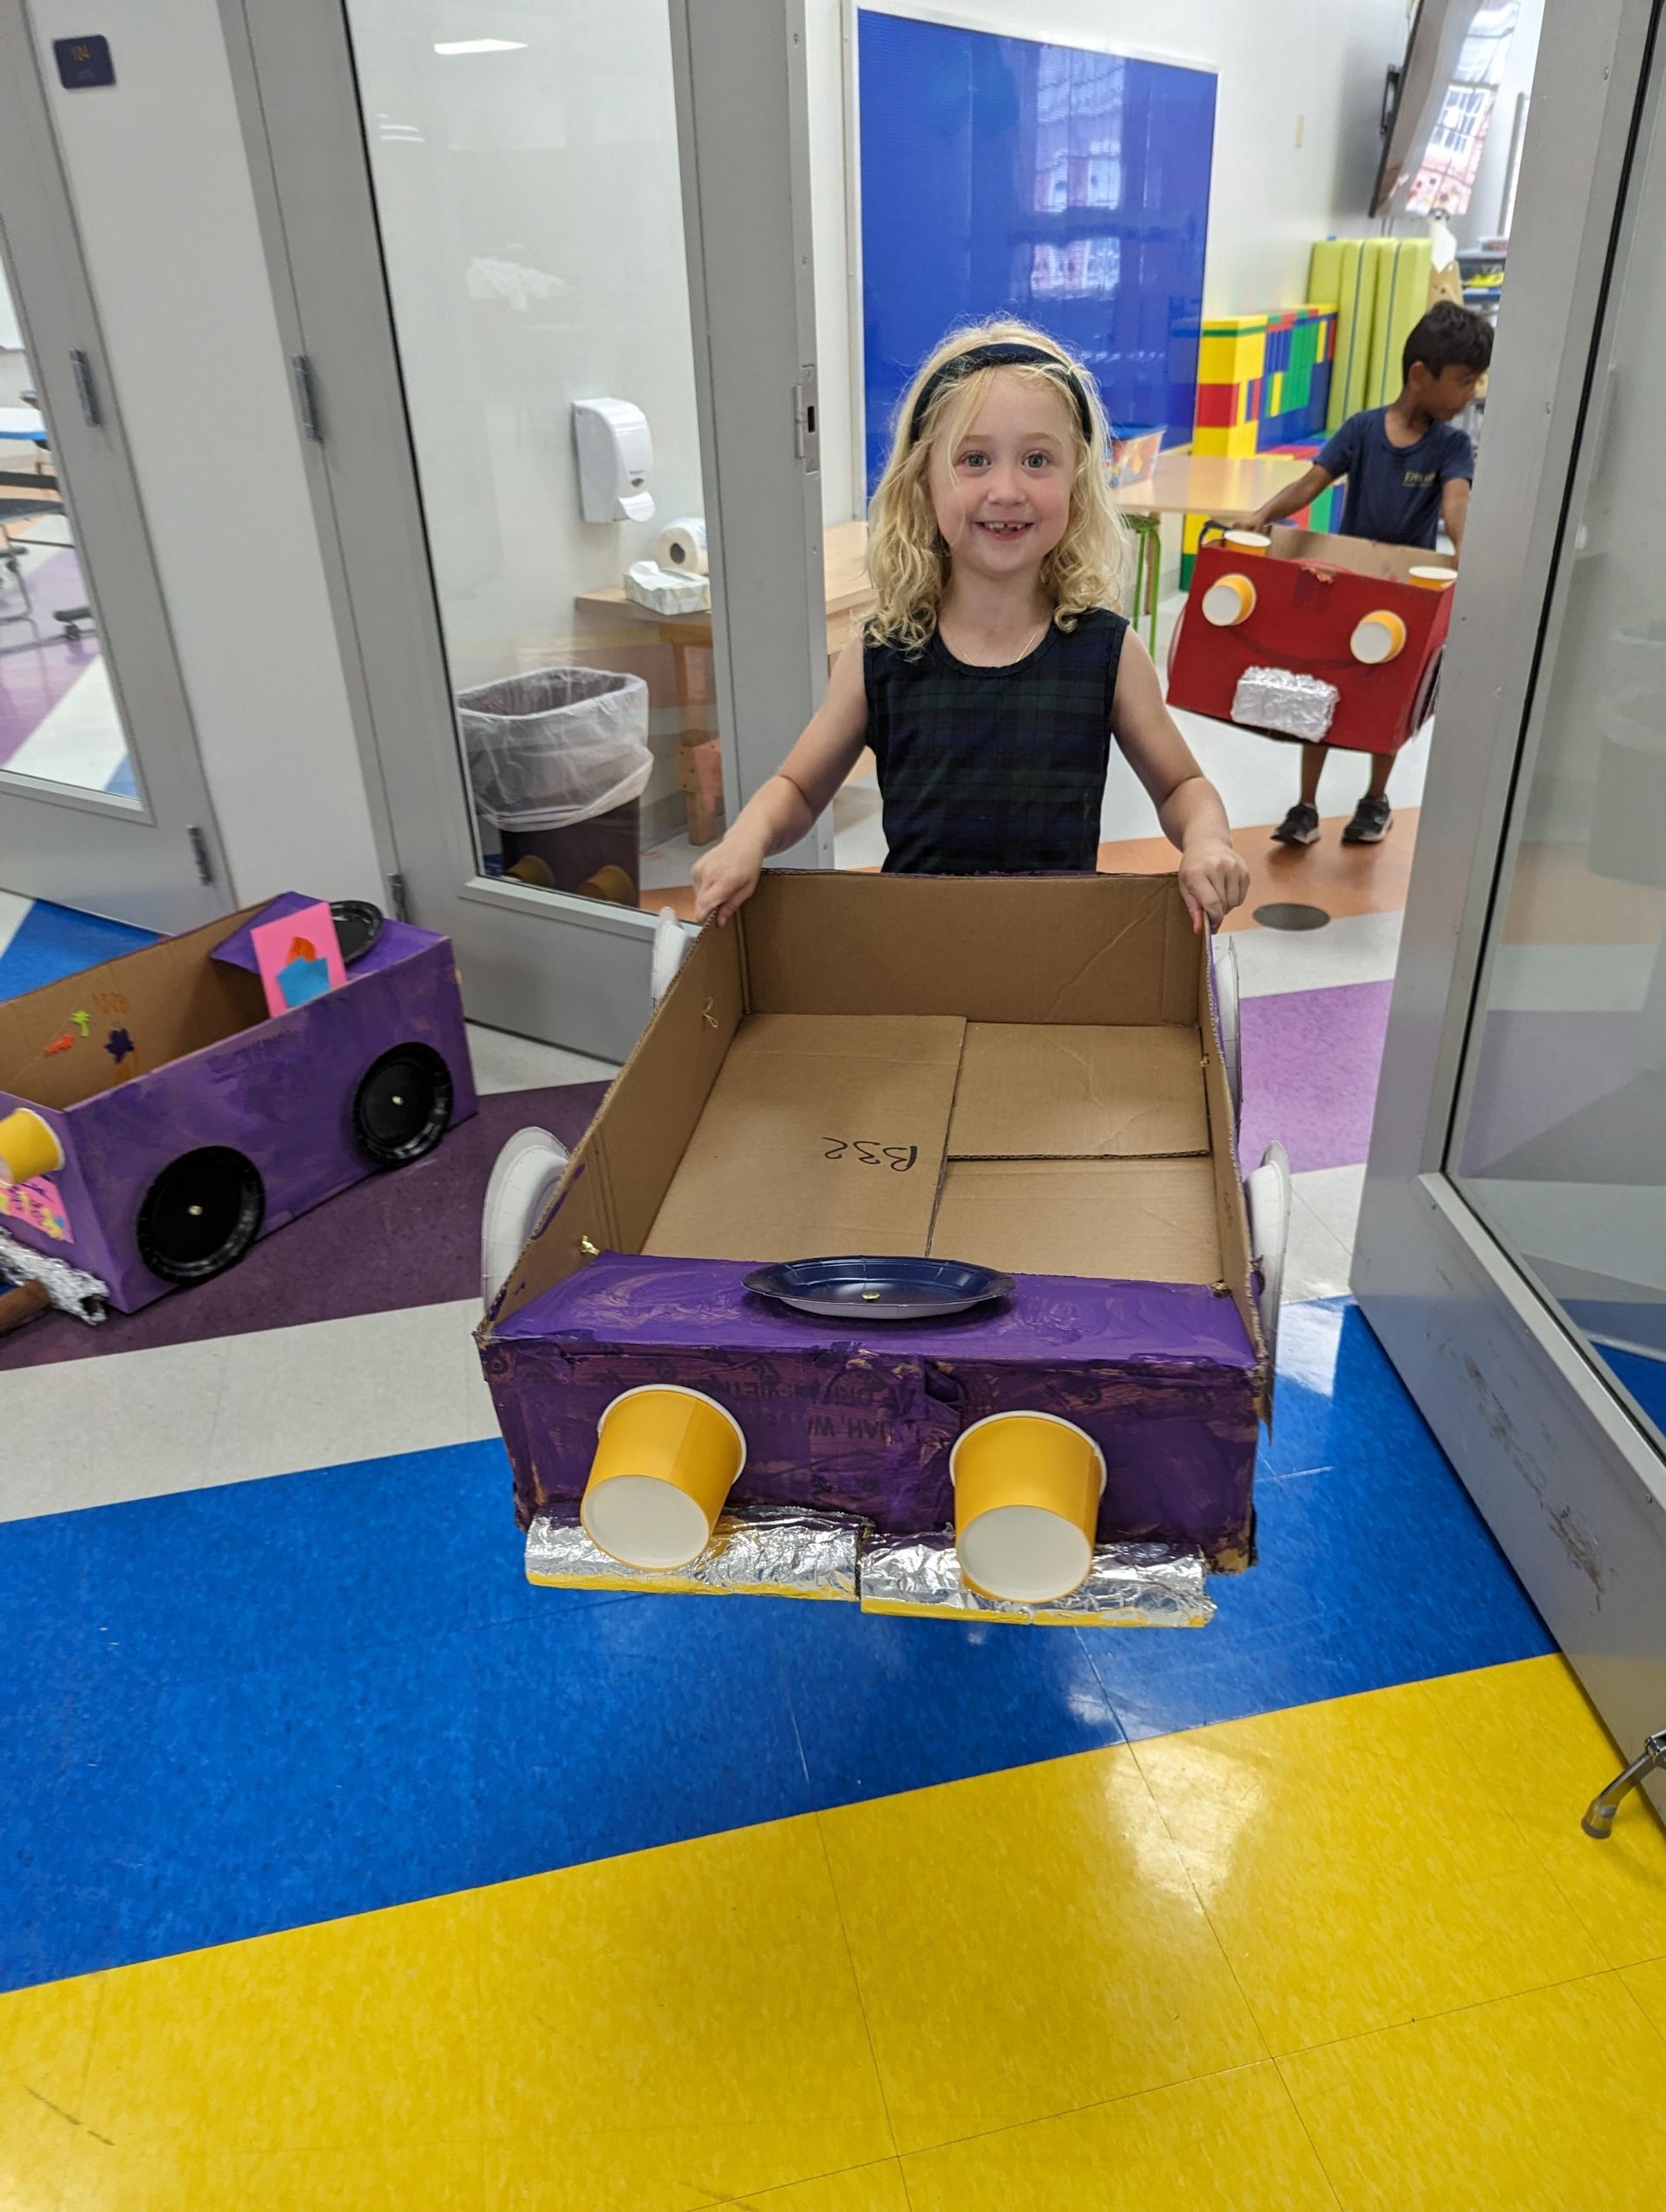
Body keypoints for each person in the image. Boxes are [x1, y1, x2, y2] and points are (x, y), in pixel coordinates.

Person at [690, 320, 1250, 934]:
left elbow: (1181, 788)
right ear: (923, 481)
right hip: (915, 955)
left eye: (1037, 460)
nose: (1005, 490)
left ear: (1077, 484)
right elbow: (797, 790)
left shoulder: (1108, 653)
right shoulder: (881, 653)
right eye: (974, 459)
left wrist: (1208, 841)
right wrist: (747, 837)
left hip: (1059, 955)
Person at [1241, 299, 1494, 849]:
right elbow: (1312, 482)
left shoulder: (1453, 444)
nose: (1471, 393)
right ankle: (1305, 806)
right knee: (1321, 688)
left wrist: (1469, 552)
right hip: (1346, 587)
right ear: (1420, 376)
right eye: (1464, 381)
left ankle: (1375, 801)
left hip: (1408, 597)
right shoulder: (1361, 430)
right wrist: (1262, 516)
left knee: (1390, 697)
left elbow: (1457, 503)